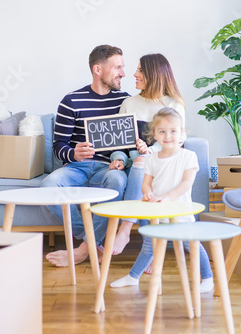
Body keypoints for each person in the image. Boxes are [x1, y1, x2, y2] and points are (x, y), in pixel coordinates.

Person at [42, 45, 130, 267]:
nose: (123, 73)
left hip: (108, 169)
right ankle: (92, 243)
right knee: (48, 185)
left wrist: (120, 159)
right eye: (117, 67)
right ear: (98, 69)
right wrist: (73, 152)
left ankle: (83, 250)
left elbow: (131, 144)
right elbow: (58, 146)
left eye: (123, 67)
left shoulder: (125, 101)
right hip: (76, 168)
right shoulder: (71, 101)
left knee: (118, 181)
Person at [110, 108, 214, 292]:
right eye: (162, 131)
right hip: (156, 212)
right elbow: (146, 184)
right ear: (154, 134)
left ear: (182, 133)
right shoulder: (151, 159)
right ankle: (133, 277)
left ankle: (208, 278)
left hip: (180, 212)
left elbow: (187, 183)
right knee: (149, 247)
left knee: (193, 245)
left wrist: (167, 197)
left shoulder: (188, 156)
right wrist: (148, 193)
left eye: (173, 131)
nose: (168, 136)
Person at [109, 53, 186, 256]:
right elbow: (120, 144)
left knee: (142, 161)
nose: (134, 74)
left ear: (154, 74)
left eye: (140, 70)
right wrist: (118, 159)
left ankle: (125, 229)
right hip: (135, 164)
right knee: (140, 163)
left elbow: (177, 142)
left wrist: (149, 151)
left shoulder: (173, 105)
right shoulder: (129, 103)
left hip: (163, 164)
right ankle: (150, 250)